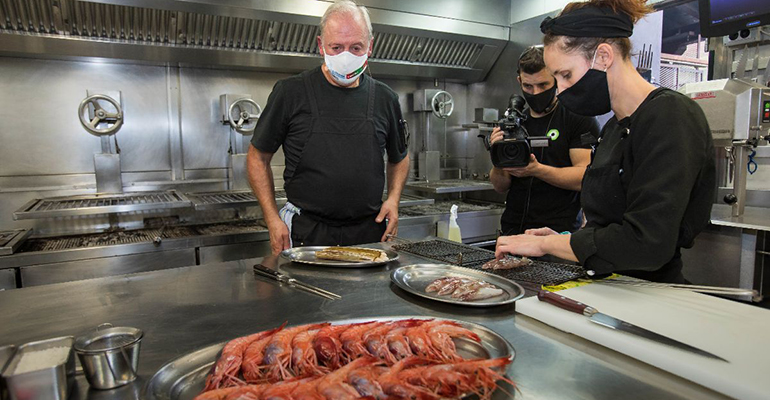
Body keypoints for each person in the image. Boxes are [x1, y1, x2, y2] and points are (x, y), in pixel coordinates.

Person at [495, 0, 716, 283]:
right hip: (610, 286)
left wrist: (545, 245)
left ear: (603, 57)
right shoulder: (613, 128)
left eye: (565, 75)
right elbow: (608, 224)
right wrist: (567, 240)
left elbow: (647, 243)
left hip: (650, 292)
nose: (559, 91)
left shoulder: (670, 116)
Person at [247, 0, 410, 255]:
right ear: (321, 45)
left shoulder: (385, 98)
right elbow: (258, 157)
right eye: (336, 47)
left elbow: (399, 158)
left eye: (356, 47)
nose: (346, 56)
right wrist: (271, 218)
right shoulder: (290, 92)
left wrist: (393, 199)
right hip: (306, 232)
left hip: (369, 231)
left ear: (370, 47)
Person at [489, 46, 599, 236]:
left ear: (556, 79)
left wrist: (537, 170)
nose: (535, 92)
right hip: (514, 231)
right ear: (519, 81)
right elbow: (500, 186)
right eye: (528, 87)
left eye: (543, 85)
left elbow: (584, 178)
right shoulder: (515, 123)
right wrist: (497, 157)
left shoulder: (578, 118)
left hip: (558, 233)